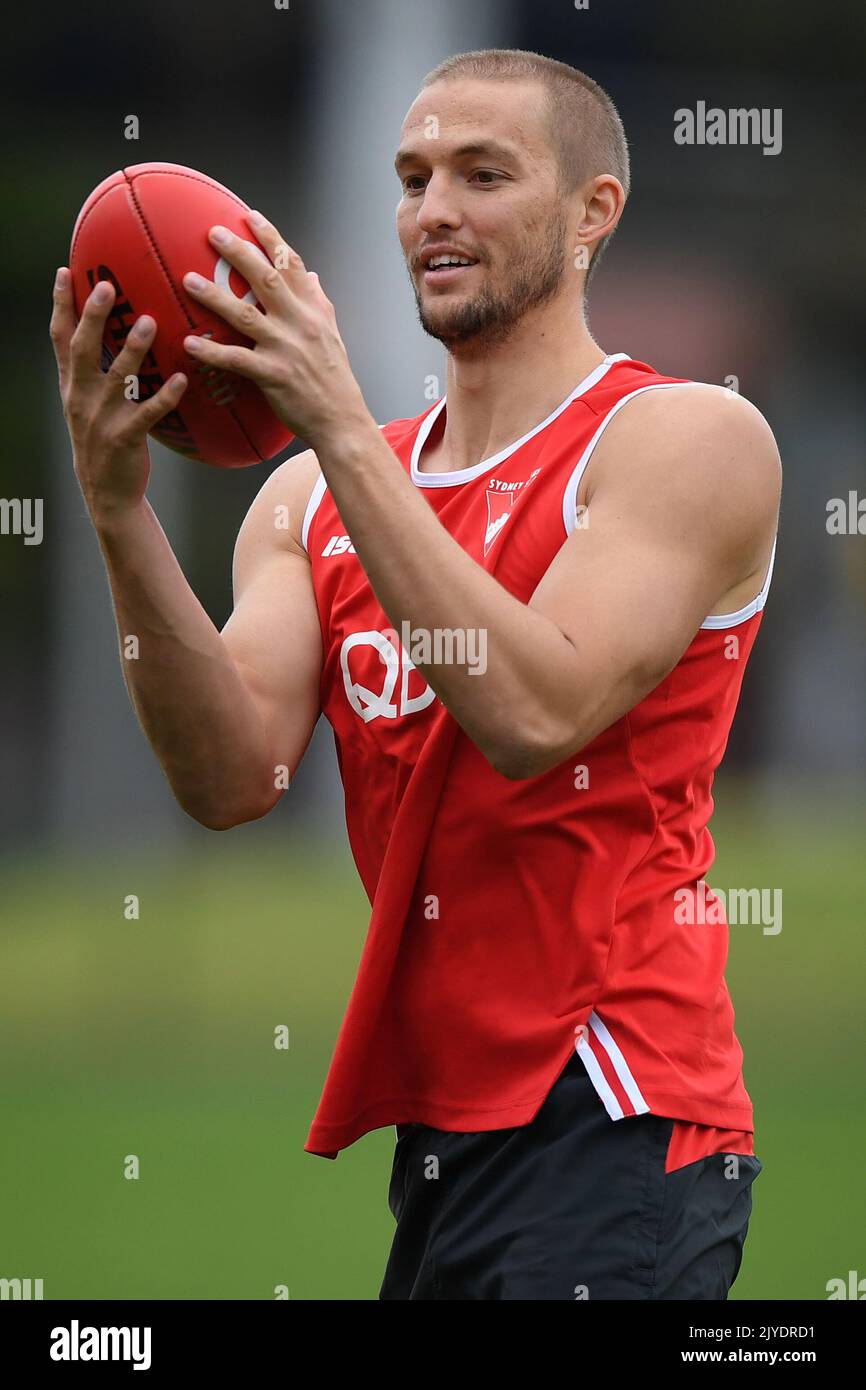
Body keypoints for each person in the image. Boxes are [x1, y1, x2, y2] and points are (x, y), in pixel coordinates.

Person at [50, 48, 780, 1300]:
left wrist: (335, 426)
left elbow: (532, 708)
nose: (433, 209)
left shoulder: (682, 439)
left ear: (592, 211)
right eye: (411, 177)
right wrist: (121, 513)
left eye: (482, 174)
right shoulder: (309, 498)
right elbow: (229, 775)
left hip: (614, 1104)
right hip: (441, 1140)